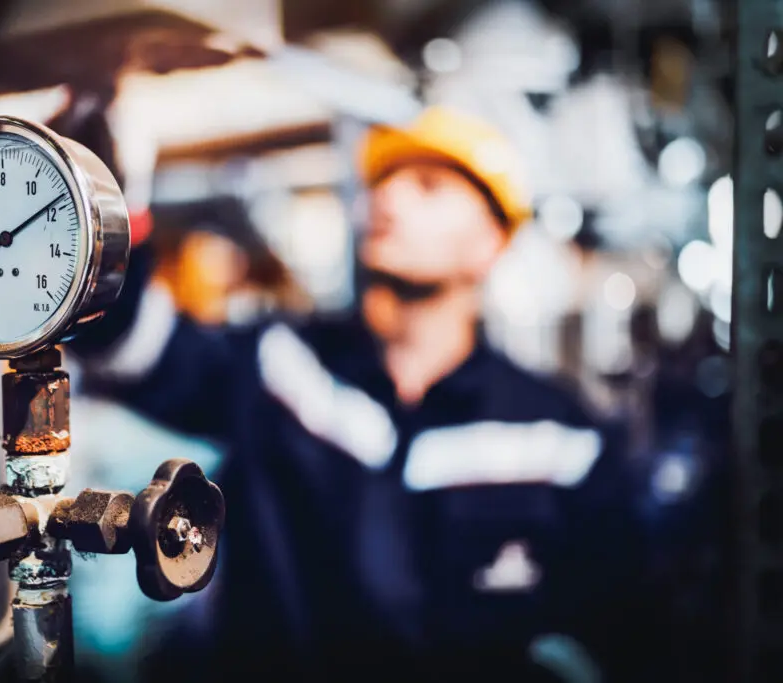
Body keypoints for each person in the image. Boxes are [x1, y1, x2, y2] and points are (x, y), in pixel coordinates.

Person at [69, 107, 647, 682]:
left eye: (428, 186)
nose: (389, 199)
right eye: (383, 183)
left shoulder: (560, 440)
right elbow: (133, 346)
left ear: (491, 242)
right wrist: (105, 207)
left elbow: (614, 635)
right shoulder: (287, 368)